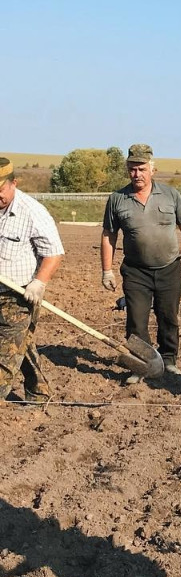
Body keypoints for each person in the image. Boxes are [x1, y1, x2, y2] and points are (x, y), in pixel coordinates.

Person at [101, 144, 181, 383]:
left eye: (141, 169)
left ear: (153, 169)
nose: (136, 174)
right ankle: (141, 365)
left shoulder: (171, 195)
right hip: (135, 272)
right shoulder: (117, 199)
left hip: (169, 268)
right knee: (136, 320)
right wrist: (107, 270)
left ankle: (169, 360)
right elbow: (109, 235)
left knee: (168, 316)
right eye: (132, 169)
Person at [0, 159, 65, 402]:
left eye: (0, 191)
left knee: (5, 351)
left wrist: (39, 282)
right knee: (22, 343)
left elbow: (54, 252)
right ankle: (38, 394)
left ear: (13, 184)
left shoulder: (32, 211)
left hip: (19, 294)